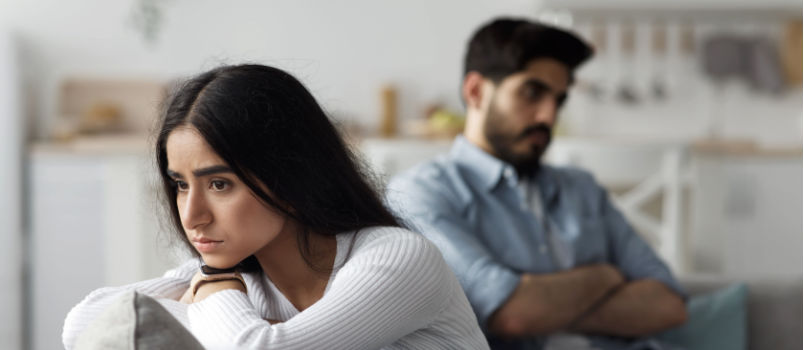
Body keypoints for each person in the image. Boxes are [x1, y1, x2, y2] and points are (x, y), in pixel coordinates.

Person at [62, 64, 489, 350]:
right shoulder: (237, 273)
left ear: (289, 177)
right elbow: (84, 324)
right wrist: (216, 286)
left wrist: (212, 290)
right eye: (180, 184)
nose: (192, 216)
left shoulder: (399, 258)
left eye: (219, 184)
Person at [386, 18, 688, 350]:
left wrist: (548, 306)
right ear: (475, 91)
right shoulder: (423, 193)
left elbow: (670, 305)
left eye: (559, 100)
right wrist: (606, 276)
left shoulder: (582, 188)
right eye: (532, 92)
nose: (548, 116)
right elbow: (511, 313)